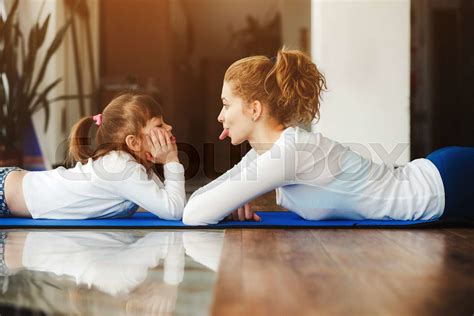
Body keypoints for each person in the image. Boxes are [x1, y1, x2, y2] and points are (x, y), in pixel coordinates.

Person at [182, 48, 474, 225]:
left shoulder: (289, 153)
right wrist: (230, 200)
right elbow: (200, 201)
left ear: (254, 108)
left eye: (225, 104)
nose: (220, 116)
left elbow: (194, 214)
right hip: (441, 176)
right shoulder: (265, 153)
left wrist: (227, 200)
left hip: (445, 186)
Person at [0, 92, 185, 220]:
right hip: (7, 192)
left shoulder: (134, 165)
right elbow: (173, 210)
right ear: (133, 143)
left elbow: (168, 200)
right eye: (159, 125)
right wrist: (171, 160)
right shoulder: (121, 168)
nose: (169, 128)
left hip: (14, 187)